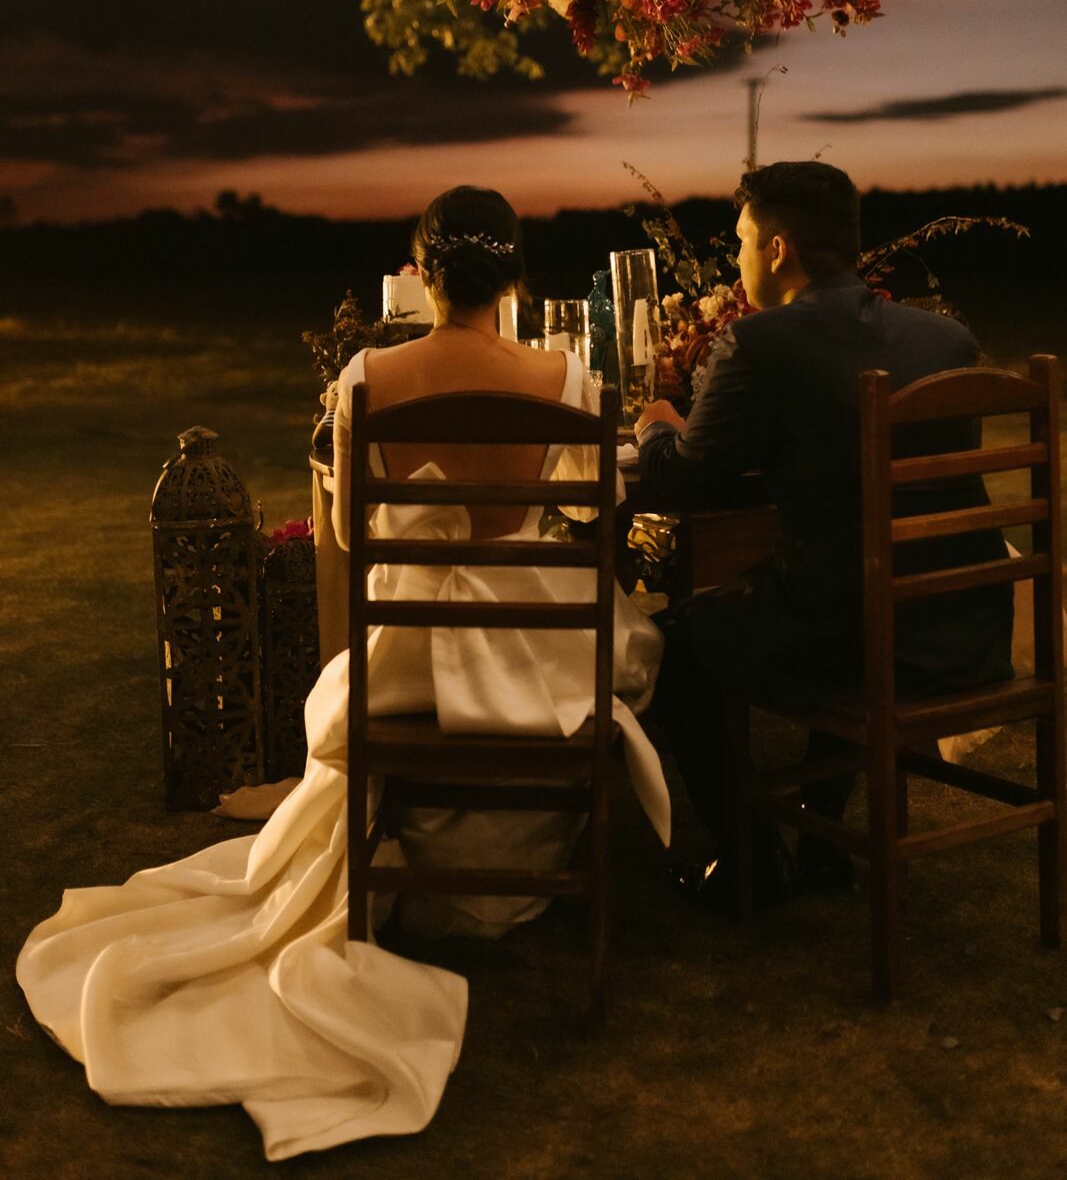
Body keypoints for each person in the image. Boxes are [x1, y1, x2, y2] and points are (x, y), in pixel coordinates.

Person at [17, 185, 668, 1162]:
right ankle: (526, 870)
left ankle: (434, 867)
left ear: (422, 270)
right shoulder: (571, 378)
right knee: (630, 658)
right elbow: (593, 522)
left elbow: (342, 536)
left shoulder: (369, 376)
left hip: (402, 668)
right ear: (513, 274)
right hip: (526, 668)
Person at [635, 161, 1014, 907]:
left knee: (679, 646)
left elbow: (683, 482)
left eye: (743, 242)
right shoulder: (943, 341)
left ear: (776, 250)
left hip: (861, 638)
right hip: (963, 627)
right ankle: (818, 843)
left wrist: (657, 425)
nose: (737, 262)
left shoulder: (760, 345)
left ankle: (747, 867)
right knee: (838, 585)